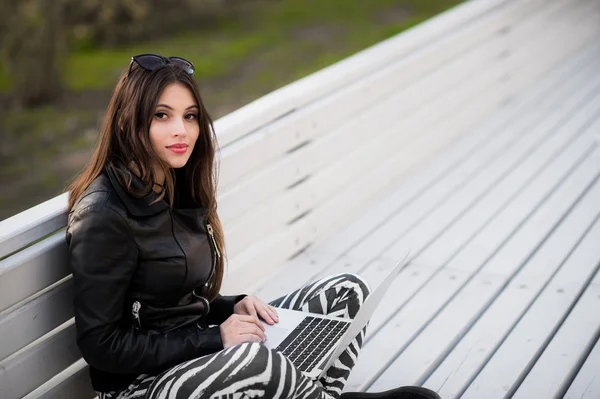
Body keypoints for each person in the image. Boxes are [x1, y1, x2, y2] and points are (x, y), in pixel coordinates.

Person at [66, 54, 441, 399]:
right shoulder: (103, 213)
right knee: (261, 362)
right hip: (141, 386)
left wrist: (231, 307)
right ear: (129, 120)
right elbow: (102, 345)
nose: (181, 130)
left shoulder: (174, 184)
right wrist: (217, 338)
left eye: (190, 115)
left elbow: (173, 301)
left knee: (347, 292)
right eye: (162, 115)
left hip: (195, 355)